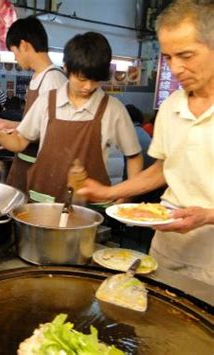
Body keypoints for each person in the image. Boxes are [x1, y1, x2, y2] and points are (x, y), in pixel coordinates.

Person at [79, 0, 214, 285]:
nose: (176, 68)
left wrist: (207, 216)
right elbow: (163, 169)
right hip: (168, 246)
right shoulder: (171, 106)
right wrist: (107, 192)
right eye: (167, 57)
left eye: (186, 55)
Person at [0, 32, 143, 202]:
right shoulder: (47, 101)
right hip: (43, 203)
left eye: (95, 80)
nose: (88, 86)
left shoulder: (113, 109)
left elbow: (134, 156)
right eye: (82, 78)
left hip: (88, 208)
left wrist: (126, 195)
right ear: (66, 68)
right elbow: (20, 141)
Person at [0, 16, 67, 192]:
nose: (15, 58)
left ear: (24, 45)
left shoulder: (53, 79)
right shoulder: (38, 76)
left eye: (14, 51)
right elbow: (36, 125)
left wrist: (6, 136)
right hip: (24, 161)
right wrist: (10, 125)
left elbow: (52, 133)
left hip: (39, 169)